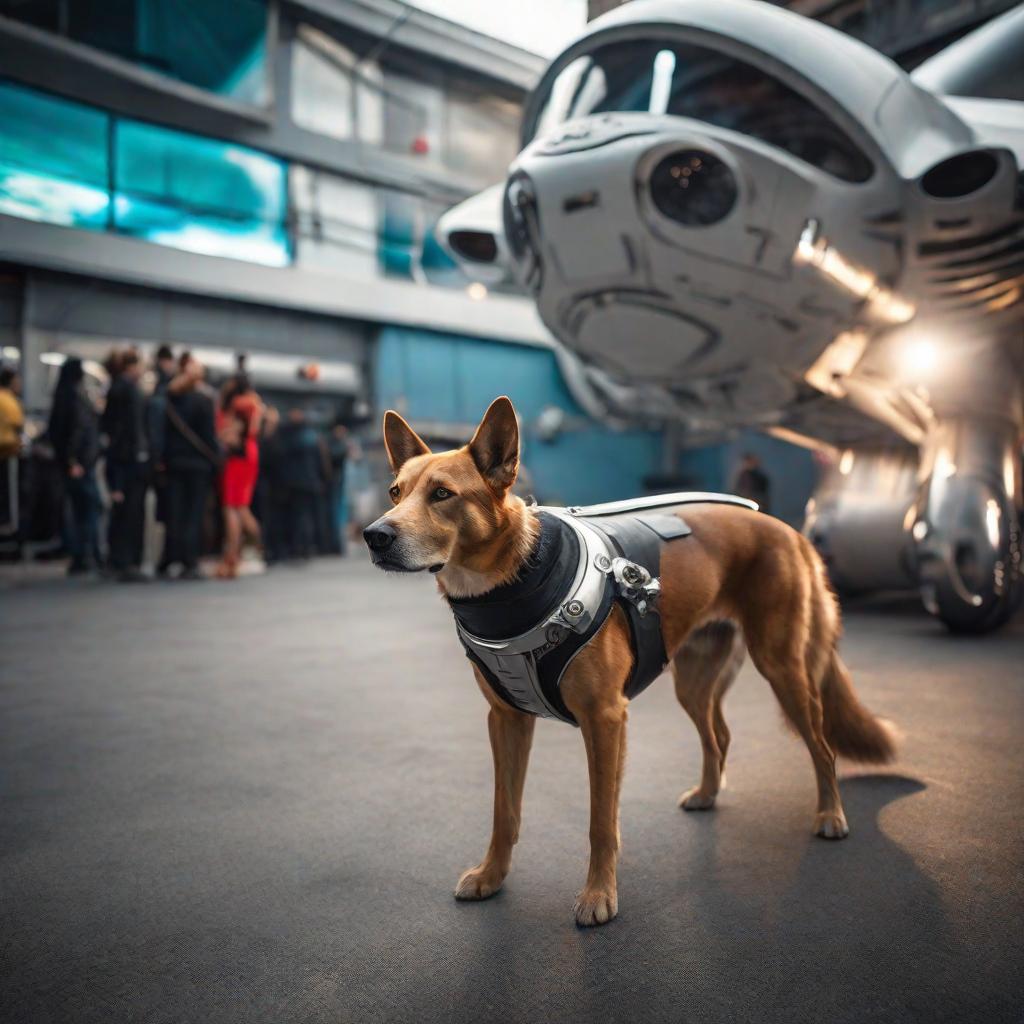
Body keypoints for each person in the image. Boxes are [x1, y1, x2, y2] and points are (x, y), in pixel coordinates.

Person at [161, 353, 218, 580]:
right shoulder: (203, 401)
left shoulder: (170, 399)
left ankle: (169, 558)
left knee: (173, 513)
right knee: (193, 514)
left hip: (174, 463)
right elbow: (208, 437)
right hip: (198, 465)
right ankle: (189, 560)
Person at [47, 357, 101, 575]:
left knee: (79, 509)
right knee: (88, 508)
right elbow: (78, 430)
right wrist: (74, 460)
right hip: (79, 463)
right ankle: (87, 554)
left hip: (73, 462)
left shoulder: (62, 396)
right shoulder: (76, 397)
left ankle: (82, 554)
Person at [101, 348, 149, 582]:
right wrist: (139, 454)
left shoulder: (117, 388)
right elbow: (129, 429)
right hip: (128, 460)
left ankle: (118, 560)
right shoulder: (128, 390)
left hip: (120, 459)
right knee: (130, 512)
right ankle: (127, 562)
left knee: (121, 511)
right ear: (133, 366)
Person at [214, 370, 263, 579]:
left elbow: (226, 433)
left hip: (237, 457)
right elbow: (257, 427)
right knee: (242, 507)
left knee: (232, 508)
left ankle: (232, 558)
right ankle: (256, 550)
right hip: (251, 452)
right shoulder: (255, 402)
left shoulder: (235, 404)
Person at [279, 406, 326, 560]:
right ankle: (306, 546)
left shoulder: (294, 437)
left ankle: (301, 546)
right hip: (309, 481)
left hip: (299, 482)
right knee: (306, 515)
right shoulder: (311, 436)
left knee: (300, 515)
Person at [0, 367, 24, 539]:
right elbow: (18, 425)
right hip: (7, 452)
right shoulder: (8, 400)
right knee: (8, 497)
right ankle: (9, 532)